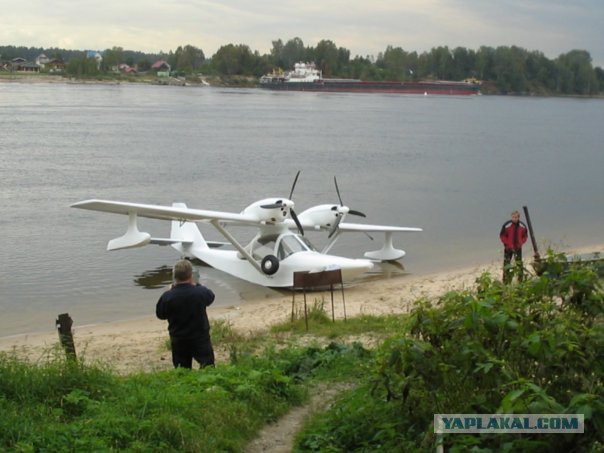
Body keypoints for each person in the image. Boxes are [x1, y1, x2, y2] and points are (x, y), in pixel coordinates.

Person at [156, 259, 215, 369]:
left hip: (178, 338)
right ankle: (208, 385)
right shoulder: (200, 292)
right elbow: (210, 297)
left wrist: (171, 290)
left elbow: (160, 315)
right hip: (200, 337)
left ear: (174, 276)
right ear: (190, 275)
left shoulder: (168, 296)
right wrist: (196, 285)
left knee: (182, 369)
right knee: (208, 365)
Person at [499, 210, 528, 284]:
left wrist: (521, 242)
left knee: (519, 265)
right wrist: (507, 243)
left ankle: (520, 281)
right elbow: (502, 236)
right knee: (506, 265)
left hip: (518, 248)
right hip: (508, 248)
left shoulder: (522, 228)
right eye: (513, 217)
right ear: (511, 217)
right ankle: (505, 281)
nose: (514, 219)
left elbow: (525, 236)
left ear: (518, 218)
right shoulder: (507, 227)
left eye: (516, 217)